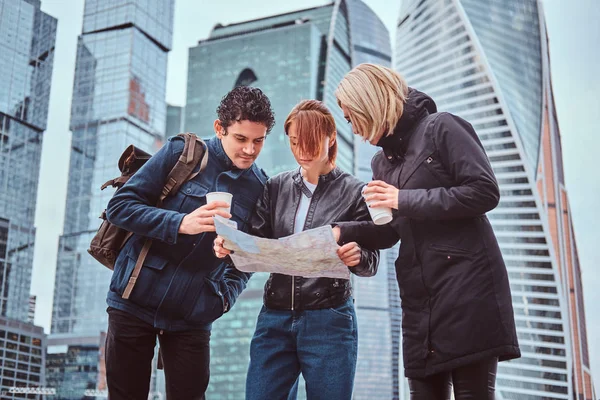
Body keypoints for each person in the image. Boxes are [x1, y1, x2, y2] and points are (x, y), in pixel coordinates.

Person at [332, 63, 520, 400]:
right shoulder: (381, 163)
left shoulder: (442, 128)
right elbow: (390, 231)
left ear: (369, 104)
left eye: (352, 117)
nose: (354, 130)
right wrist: (342, 232)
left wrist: (402, 198)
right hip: (420, 302)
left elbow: (484, 191)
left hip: (468, 290)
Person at [104, 86, 275, 400]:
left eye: (258, 140)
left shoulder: (261, 189)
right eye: (241, 138)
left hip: (192, 317)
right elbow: (120, 207)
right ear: (219, 128)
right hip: (133, 301)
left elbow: (249, 260)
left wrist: (222, 297)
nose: (249, 150)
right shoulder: (181, 153)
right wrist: (181, 223)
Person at [214, 100, 379, 400]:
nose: (301, 151)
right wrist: (231, 243)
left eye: (309, 143)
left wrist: (357, 256)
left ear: (331, 138)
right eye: (294, 143)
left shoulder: (356, 192)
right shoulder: (276, 186)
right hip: (274, 319)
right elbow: (255, 239)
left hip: (329, 322)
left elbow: (372, 260)